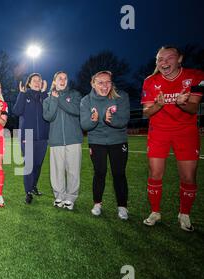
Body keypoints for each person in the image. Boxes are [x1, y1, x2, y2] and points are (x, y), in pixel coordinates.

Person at [141, 46, 204, 232]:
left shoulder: (196, 76)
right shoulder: (150, 81)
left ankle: (184, 214)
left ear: (180, 59)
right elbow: (146, 113)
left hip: (186, 131)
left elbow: (194, 108)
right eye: (160, 59)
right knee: (155, 173)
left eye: (169, 58)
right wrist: (158, 105)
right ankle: (155, 212)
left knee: (188, 176)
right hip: (158, 131)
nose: (164, 62)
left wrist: (183, 103)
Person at [80, 70, 130, 220]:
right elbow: (85, 125)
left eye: (108, 82)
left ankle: (122, 207)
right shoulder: (86, 100)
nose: (105, 86)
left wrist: (111, 120)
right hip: (97, 142)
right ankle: (97, 203)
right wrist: (94, 120)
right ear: (93, 84)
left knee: (119, 174)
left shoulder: (121, 96)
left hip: (118, 141)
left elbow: (124, 120)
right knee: (99, 172)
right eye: (100, 82)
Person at [43, 71, 83, 210]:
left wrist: (59, 98)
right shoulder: (48, 99)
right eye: (60, 78)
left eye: (65, 78)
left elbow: (76, 110)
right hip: (56, 140)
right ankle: (59, 196)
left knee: (73, 171)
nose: (63, 80)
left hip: (73, 139)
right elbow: (48, 116)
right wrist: (54, 99)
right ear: (54, 81)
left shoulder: (75, 94)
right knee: (57, 171)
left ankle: (70, 198)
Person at [12, 73, 49, 204]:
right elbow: (16, 111)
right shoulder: (25, 95)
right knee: (29, 165)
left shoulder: (44, 96)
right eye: (34, 80)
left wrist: (44, 93)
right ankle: (28, 192)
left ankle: (33, 186)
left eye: (39, 80)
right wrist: (21, 94)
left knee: (38, 165)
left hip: (42, 137)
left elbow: (48, 112)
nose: (37, 82)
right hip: (27, 136)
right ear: (29, 83)